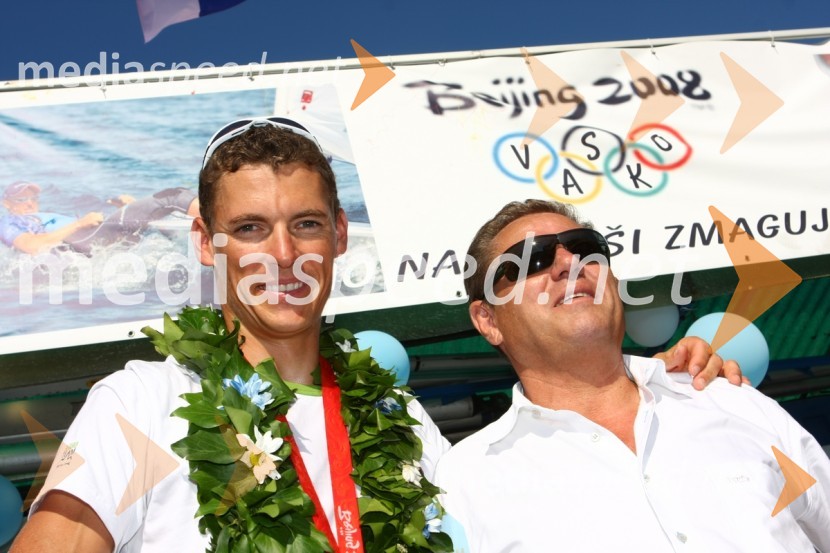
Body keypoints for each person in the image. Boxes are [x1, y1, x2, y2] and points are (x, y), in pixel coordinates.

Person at [11, 120, 738, 553]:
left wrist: (650, 381)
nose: (284, 257)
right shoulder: (145, 401)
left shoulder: (397, 417)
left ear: (339, 234)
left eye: (306, 225)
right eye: (250, 230)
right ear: (207, 242)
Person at [433, 199, 830, 552]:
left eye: (587, 248)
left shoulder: (730, 401)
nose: (569, 263)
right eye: (531, 258)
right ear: (488, 320)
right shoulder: (467, 479)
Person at [0, 180, 199, 255]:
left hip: (92, 236)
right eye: (21, 199)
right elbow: (31, 246)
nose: (29, 203)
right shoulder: (7, 222)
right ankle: (218, 221)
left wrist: (127, 209)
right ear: (6, 203)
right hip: (82, 241)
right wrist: (80, 223)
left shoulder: (43, 216)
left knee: (153, 226)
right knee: (172, 196)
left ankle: (205, 244)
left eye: (33, 198)